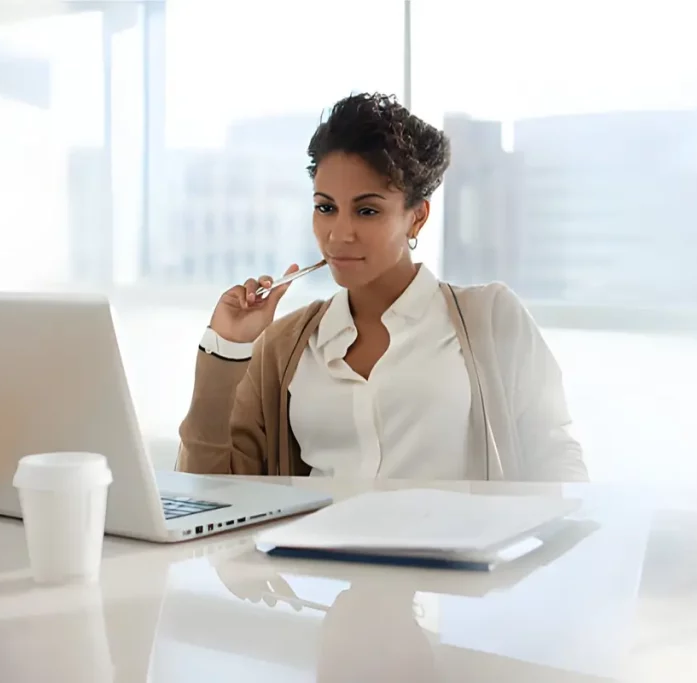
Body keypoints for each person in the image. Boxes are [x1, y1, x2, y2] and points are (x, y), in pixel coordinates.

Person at [176, 92, 587, 481]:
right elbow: (209, 492)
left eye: (367, 210)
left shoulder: (492, 318)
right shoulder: (284, 347)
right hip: (310, 557)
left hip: (452, 555)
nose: (339, 234)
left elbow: (556, 460)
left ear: (416, 217)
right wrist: (228, 346)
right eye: (325, 208)